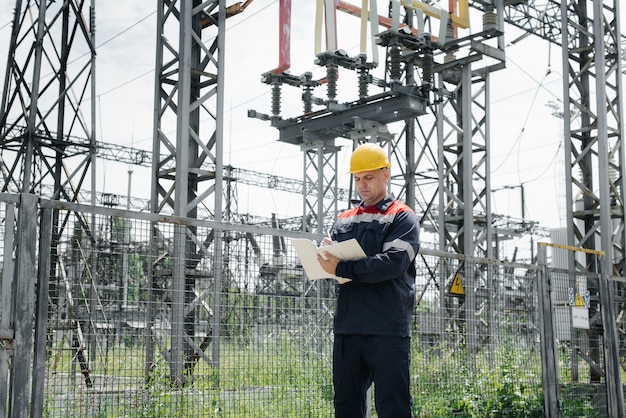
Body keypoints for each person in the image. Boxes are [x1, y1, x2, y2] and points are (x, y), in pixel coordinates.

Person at [317, 142, 420, 418]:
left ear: (385, 174)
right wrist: (327, 254)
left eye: (369, 177)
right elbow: (338, 266)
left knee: (393, 407)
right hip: (349, 329)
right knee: (346, 407)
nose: (362, 185)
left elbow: (393, 264)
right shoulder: (343, 219)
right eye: (357, 179)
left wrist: (342, 267)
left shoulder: (402, 216)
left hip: (387, 328)